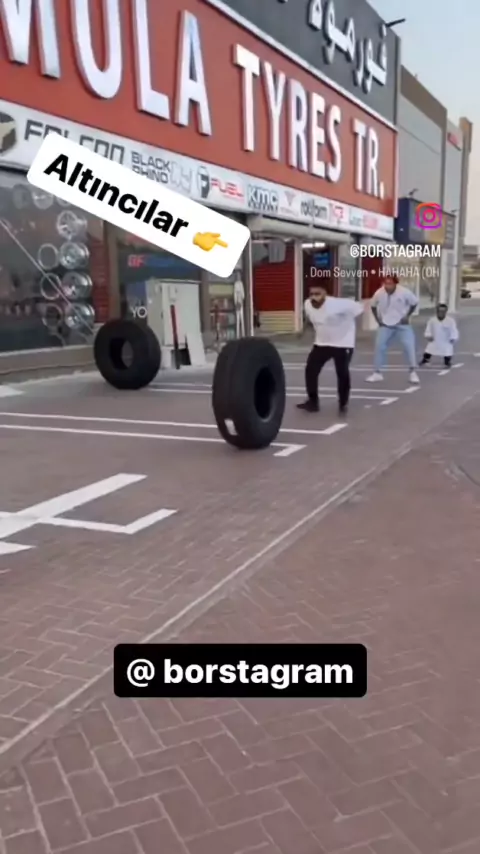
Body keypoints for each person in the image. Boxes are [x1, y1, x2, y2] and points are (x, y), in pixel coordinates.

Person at [297, 284, 363, 414]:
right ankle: (313, 402)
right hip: (322, 343)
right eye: (311, 294)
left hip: (343, 343)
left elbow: (359, 309)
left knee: (342, 372)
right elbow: (310, 318)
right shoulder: (307, 304)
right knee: (310, 370)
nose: (314, 297)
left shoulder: (339, 304)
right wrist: (302, 332)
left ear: (325, 295)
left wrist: (352, 331)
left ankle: (343, 403)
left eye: (317, 294)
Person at [366, 274, 420, 384]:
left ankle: (413, 372)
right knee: (379, 346)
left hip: (402, 324)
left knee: (409, 346)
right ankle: (377, 373)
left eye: (390, 283)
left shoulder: (404, 292)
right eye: (385, 283)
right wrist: (378, 320)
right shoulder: (379, 293)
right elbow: (373, 305)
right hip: (385, 324)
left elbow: (414, 303)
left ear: (395, 283)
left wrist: (407, 316)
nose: (387, 286)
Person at [420, 303, 459, 368]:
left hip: (446, 339)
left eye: (443, 311)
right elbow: (428, 329)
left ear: (446, 312)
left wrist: (453, 337)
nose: (441, 313)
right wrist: (428, 335)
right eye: (440, 311)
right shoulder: (432, 320)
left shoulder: (450, 321)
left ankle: (447, 362)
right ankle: (425, 360)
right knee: (429, 349)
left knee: (447, 351)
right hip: (435, 338)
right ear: (437, 311)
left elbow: (453, 330)